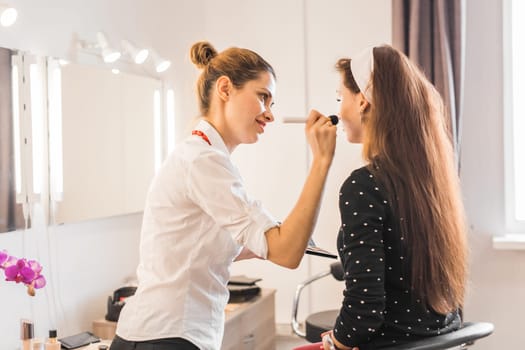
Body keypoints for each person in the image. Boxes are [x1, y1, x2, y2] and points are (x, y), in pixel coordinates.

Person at [110, 41, 337, 350]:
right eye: (263, 97)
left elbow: (200, 244)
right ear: (226, 88)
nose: (270, 115)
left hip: (166, 335)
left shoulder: (206, 157)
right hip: (164, 337)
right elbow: (287, 253)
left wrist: (261, 246)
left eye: (272, 104)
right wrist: (322, 161)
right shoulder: (203, 161)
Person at [312, 45, 468, 350]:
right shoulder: (432, 182)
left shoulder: (363, 186)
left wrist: (336, 342)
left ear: (363, 101)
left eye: (340, 98)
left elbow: (364, 310)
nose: (339, 110)